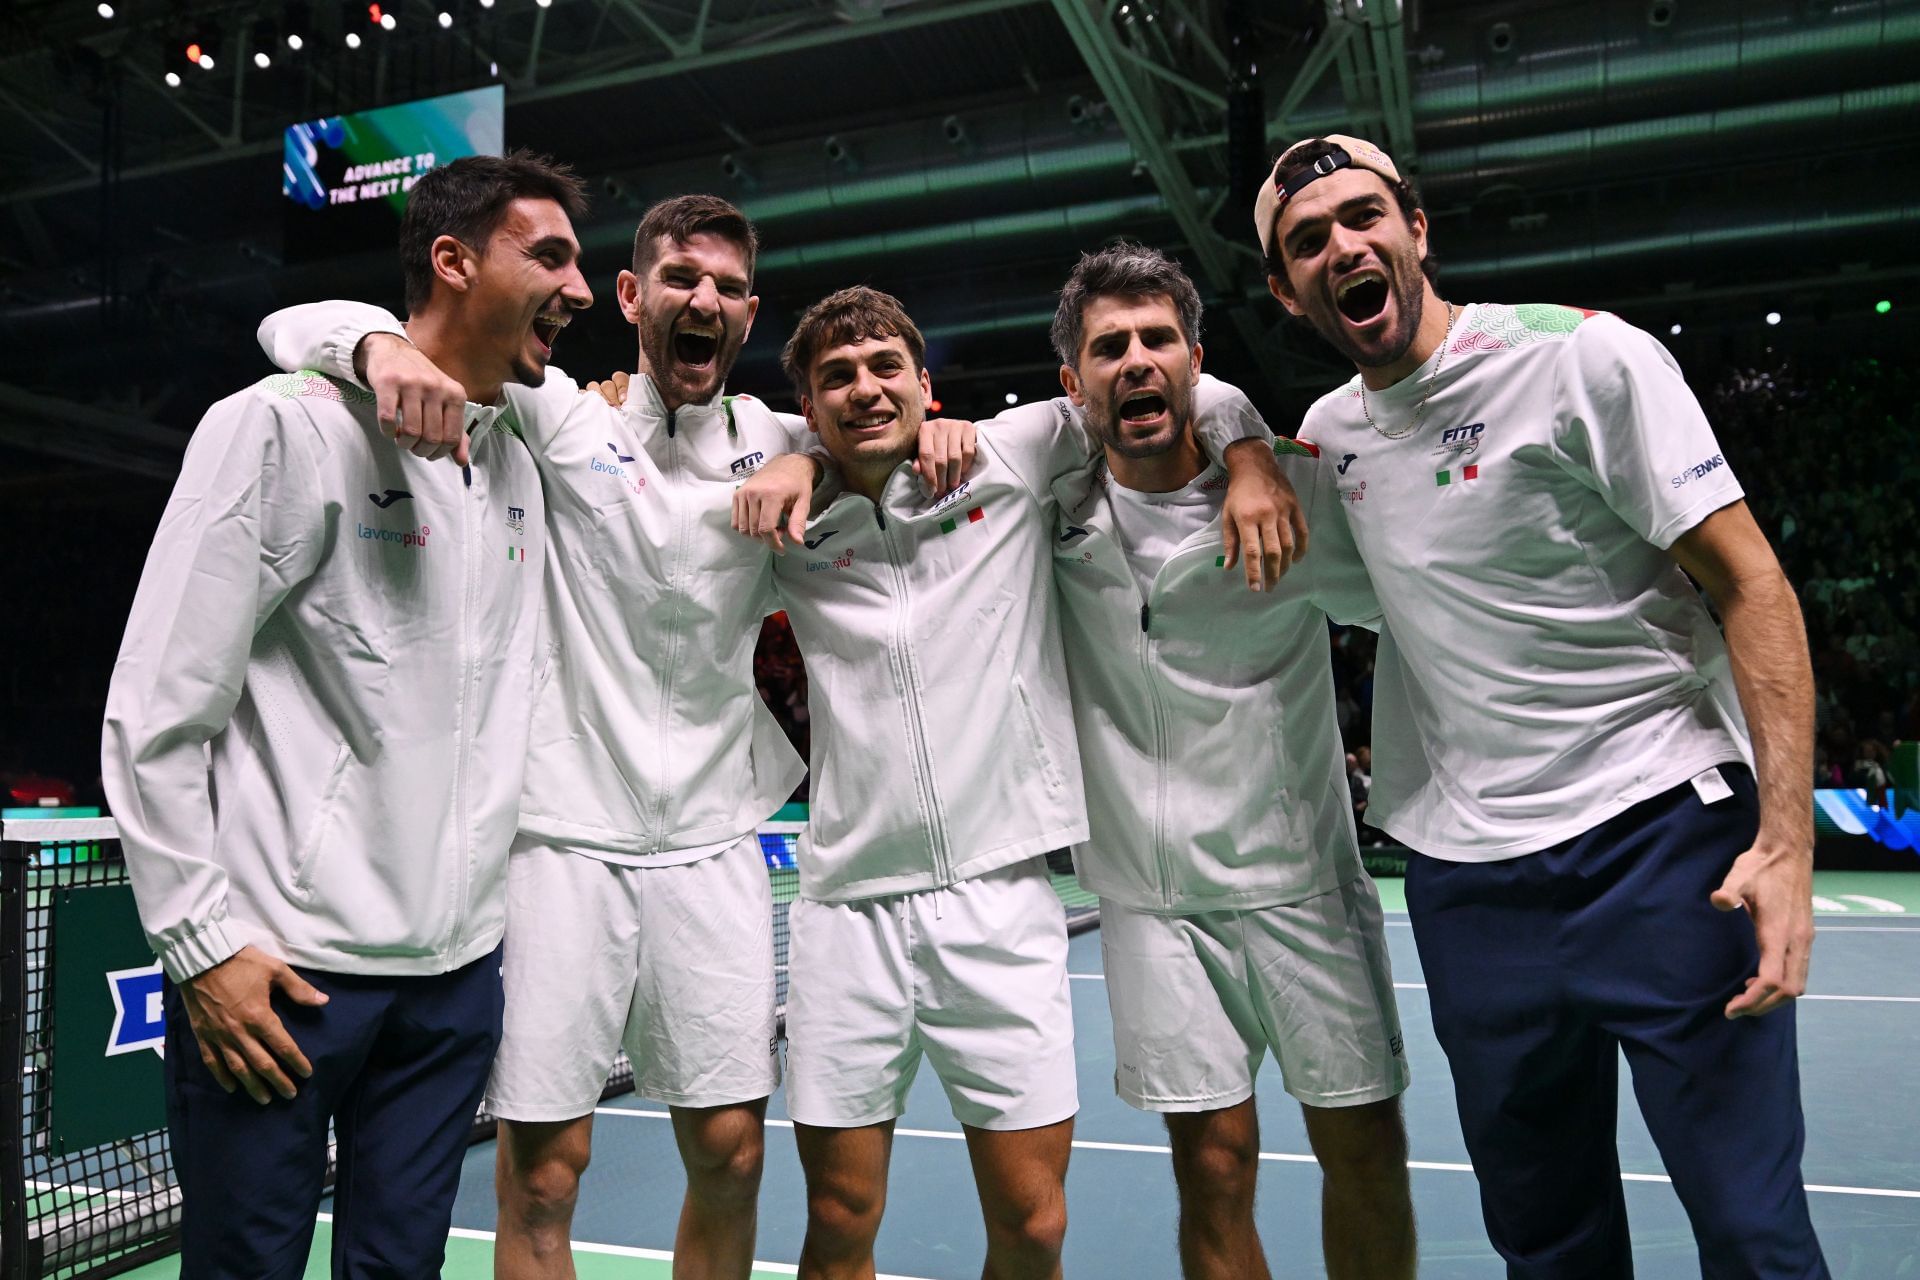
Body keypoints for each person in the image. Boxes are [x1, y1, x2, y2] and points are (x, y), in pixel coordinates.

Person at [258, 193, 985, 1279]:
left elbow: (880, 431)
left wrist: (829, 459)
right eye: (682, 279)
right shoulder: (562, 417)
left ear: (749, 315)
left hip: (715, 847)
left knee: (732, 1155)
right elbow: (287, 326)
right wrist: (377, 346)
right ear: (635, 296)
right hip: (562, 844)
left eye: (729, 287)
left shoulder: (778, 436)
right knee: (545, 1173)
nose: (707, 300)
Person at [1258, 133, 1827, 1277]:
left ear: (1417, 228)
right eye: (1308, 240)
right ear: (1285, 289)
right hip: (1473, 886)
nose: (1344, 247)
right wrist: (1239, 451)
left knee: (1752, 1233)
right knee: (1547, 1243)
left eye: (1365, 216)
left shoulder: (1580, 356)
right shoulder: (1331, 434)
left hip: (1662, 838)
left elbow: (1751, 582)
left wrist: (1786, 837)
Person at [720, 284, 1296, 1280]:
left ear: (925, 384)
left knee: (1033, 1226)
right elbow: (708, 444)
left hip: (1002, 898)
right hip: (848, 910)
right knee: (839, 1214)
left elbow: (1166, 384)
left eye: (886, 367)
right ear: (807, 408)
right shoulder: (791, 519)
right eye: (837, 378)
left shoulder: (1011, 455)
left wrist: (1250, 459)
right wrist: (797, 459)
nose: (866, 388)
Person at [101, 151, 589, 1279]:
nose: (577, 288)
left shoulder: (524, 461)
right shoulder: (278, 428)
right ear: (453, 261)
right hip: (285, 975)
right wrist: (202, 945)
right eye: (551, 256)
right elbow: (159, 706)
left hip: (454, 982)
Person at [1042, 243, 1414, 1279]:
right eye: (1109, 347)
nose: (1136, 360)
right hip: (1154, 901)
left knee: (1365, 1149)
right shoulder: (1051, 507)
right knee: (1211, 1166)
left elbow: (1418, 609)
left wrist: (1251, 454)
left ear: (1196, 362)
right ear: (1074, 383)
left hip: (1303, 884)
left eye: (1159, 339)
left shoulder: (1297, 493)